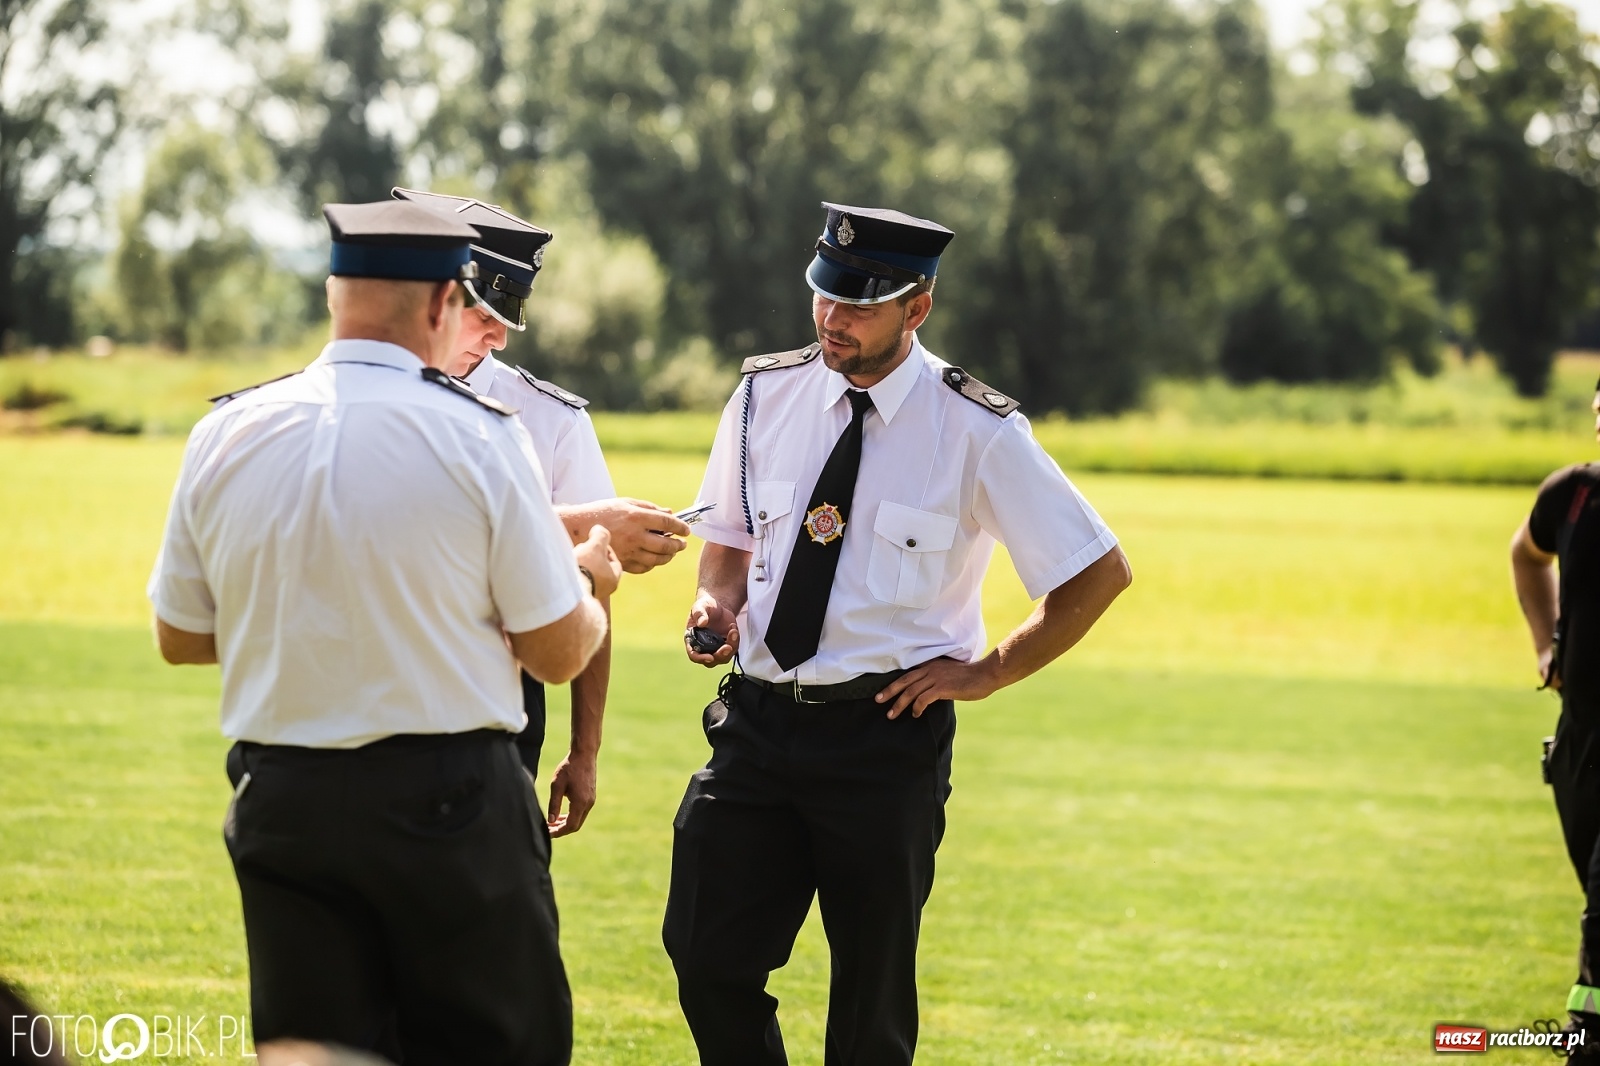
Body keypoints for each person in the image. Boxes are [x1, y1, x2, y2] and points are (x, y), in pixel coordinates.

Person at [147, 199, 621, 1066]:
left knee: (319, 1053)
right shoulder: (484, 437)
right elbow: (554, 651)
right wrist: (590, 574)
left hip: (282, 793)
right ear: (446, 302)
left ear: (335, 291)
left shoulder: (226, 431)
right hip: (444, 801)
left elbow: (181, 635)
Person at [662, 202, 1133, 1065]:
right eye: (823, 296)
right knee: (705, 958)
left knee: (870, 1004)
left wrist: (987, 671)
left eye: (859, 304)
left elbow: (1097, 572)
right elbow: (728, 538)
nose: (832, 319)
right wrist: (715, 606)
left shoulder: (979, 430)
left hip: (883, 741)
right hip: (757, 725)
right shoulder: (764, 392)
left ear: (918, 307)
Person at [393, 187, 691, 837]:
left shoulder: (550, 419)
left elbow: (597, 591)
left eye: (507, 313)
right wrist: (584, 522)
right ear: (434, 298)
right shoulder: (367, 405)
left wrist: (585, 751)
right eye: (481, 311)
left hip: (507, 708)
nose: (498, 333)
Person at [1512, 375, 1600, 1054]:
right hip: (1581, 737)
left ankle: (1586, 1033)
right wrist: (1547, 646)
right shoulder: (1572, 496)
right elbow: (1526, 554)